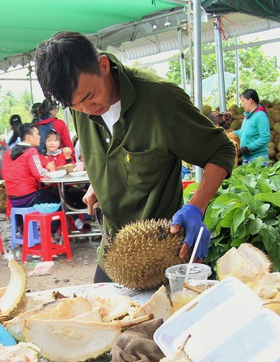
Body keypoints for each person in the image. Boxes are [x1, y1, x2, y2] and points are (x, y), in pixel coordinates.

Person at [35, 32, 235, 282]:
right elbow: (108, 153)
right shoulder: (80, 105)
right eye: (74, 105)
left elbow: (222, 150)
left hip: (161, 252)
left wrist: (197, 205)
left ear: (104, 66)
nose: (87, 110)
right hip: (113, 252)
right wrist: (100, 182)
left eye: (88, 97)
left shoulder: (161, 99)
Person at [234, 89, 270, 164]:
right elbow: (242, 132)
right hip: (247, 158)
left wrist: (247, 148)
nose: (242, 104)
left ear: (250, 100)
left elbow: (265, 138)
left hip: (258, 159)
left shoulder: (260, 116)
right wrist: (229, 134)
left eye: (243, 101)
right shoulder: (247, 116)